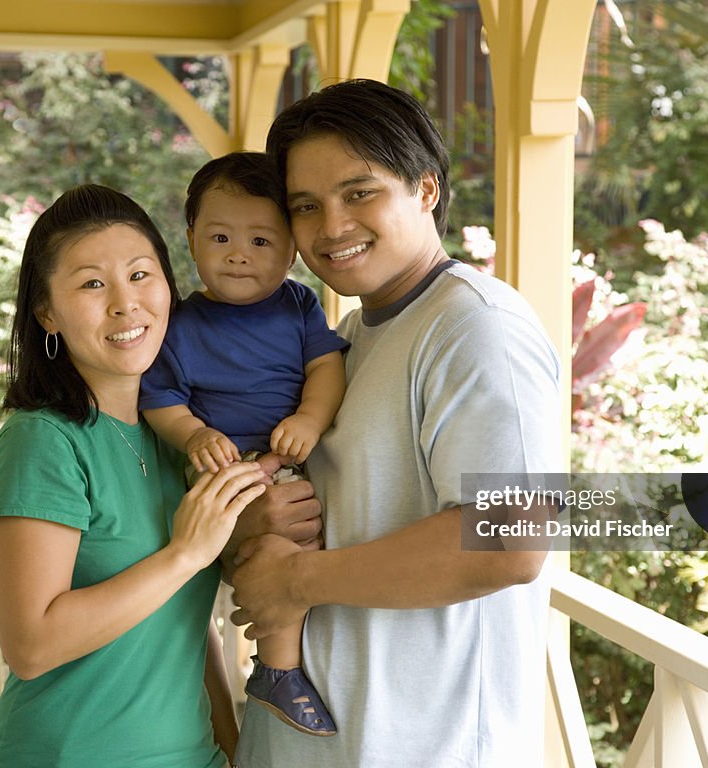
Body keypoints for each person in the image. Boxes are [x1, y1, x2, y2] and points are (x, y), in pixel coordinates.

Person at [229, 79, 562, 767]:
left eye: (359, 193)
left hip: (419, 748)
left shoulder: (475, 327)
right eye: (305, 206)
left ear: (427, 189)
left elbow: (510, 540)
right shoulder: (351, 335)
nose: (331, 227)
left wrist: (295, 583)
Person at [0, 184, 270, 768]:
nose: (124, 304)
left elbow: (183, 623)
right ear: (46, 313)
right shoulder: (41, 442)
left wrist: (230, 745)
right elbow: (31, 646)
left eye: (140, 275)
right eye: (91, 284)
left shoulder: (174, 441)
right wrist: (186, 553)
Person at [140, 152, 348, 736]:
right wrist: (195, 434)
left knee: (302, 547)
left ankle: (285, 662)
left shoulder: (299, 305)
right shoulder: (179, 325)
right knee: (277, 550)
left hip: (292, 455)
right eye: (222, 237)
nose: (239, 253)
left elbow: (326, 367)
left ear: (290, 249)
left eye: (261, 240)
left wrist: (309, 418)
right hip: (225, 466)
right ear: (191, 239)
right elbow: (161, 399)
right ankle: (277, 667)